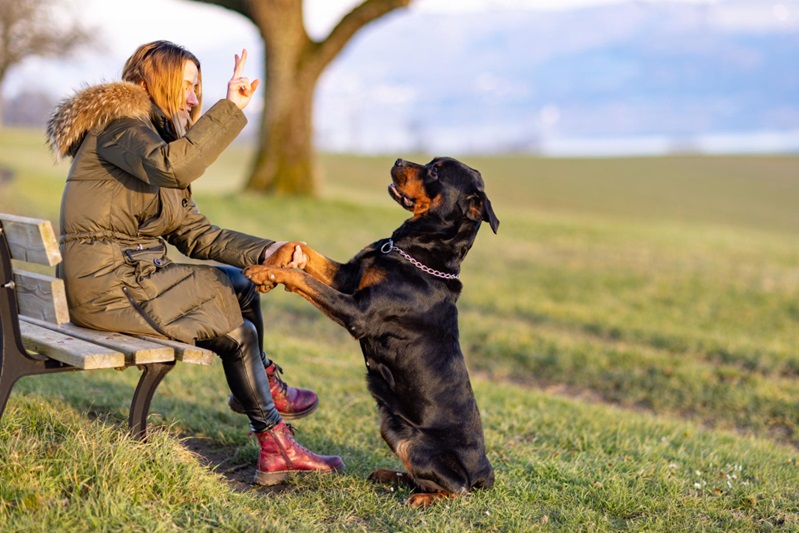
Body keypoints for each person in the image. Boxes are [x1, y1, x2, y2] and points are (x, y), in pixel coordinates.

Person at [46, 40, 343, 485]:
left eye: (197, 88)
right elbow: (175, 167)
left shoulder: (149, 141)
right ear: (154, 80)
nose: (192, 98)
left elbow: (194, 234)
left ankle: (263, 400)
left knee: (238, 286)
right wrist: (230, 108)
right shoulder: (122, 129)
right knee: (232, 319)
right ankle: (273, 437)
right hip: (108, 286)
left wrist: (267, 252)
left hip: (124, 280)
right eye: (186, 86)